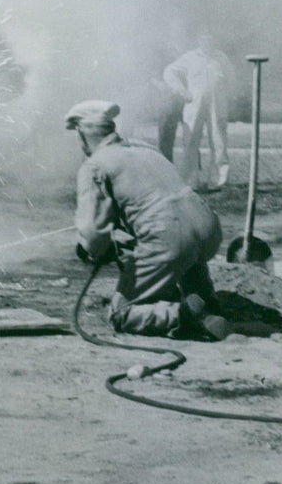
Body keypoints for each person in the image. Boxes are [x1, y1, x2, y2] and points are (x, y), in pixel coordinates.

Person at [67, 99, 229, 340]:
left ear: (82, 134)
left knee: (122, 313)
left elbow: (93, 235)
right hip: (208, 228)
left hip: (170, 236)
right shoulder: (145, 149)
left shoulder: (95, 166)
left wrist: (91, 250)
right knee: (182, 246)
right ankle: (205, 299)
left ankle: (185, 314)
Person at [162, 34, 233, 190]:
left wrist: (225, 96)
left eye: (210, 38)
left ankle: (218, 181)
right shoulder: (190, 57)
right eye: (203, 38)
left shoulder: (221, 58)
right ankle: (190, 181)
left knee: (218, 140)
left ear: (215, 40)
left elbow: (231, 79)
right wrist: (182, 90)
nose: (207, 41)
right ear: (199, 40)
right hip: (194, 103)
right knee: (190, 140)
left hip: (217, 104)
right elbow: (169, 72)